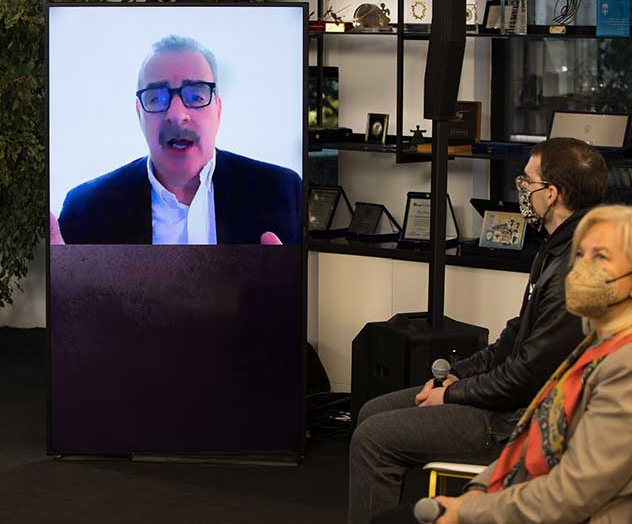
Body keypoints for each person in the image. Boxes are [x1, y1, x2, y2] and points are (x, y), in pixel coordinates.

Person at [348, 138, 608, 523]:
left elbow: (524, 379)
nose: (522, 189)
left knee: (373, 439)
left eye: (528, 182)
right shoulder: (555, 247)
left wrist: (453, 395)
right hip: (506, 400)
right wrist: (457, 375)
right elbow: (514, 337)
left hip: (517, 422)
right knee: (371, 411)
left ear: (551, 194)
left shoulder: (576, 268)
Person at [432, 205, 632, 524]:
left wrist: (470, 510)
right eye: (580, 255)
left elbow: (572, 494)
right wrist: (478, 491)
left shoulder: (626, 365)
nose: (581, 269)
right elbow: (531, 435)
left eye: (601, 257)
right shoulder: (593, 342)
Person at [54, 34, 301, 245]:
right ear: (139, 113)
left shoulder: (283, 192)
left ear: (218, 110)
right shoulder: (85, 209)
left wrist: (287, 288)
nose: (176, 114)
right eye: (156, 98)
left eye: (195, 96)